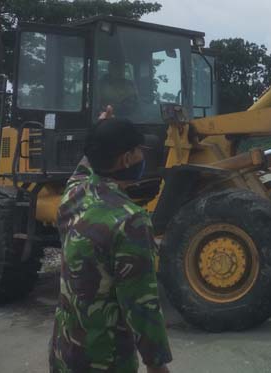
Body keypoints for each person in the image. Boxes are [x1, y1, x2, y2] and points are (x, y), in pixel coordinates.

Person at [50, 118, 172, 373]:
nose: (142, 156)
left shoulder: (74, 194)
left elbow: (83, 168)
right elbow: (141, 303)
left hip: (64, 352)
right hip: (105, 360)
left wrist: (100, 129)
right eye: (139, 151)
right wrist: (156, 363)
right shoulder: (130, 220)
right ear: (127, 159)